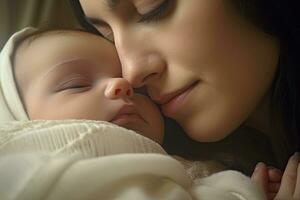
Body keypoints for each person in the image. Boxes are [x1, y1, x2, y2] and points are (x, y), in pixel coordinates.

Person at [0, 27, 286, 199]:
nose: (123, 84)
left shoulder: (188, 164)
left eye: (139, 90)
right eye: (77, 84)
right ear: (19, 119)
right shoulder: (36, 170)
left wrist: (243, 189)